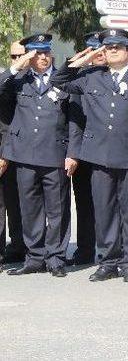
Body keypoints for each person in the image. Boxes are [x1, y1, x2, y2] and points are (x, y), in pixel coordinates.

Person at [51, 28, 128, 283]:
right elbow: (58, 80)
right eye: (108, 48)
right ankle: (108, 261)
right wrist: (87, 58)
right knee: (105, 211)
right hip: (99, 156)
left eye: (117, 47)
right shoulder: (91, 77)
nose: (112, 51)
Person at [0, 34, 80, 277]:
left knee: (57, 209)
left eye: (45, 52)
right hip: (24, 156)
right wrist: (17, 65)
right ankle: (34, 256)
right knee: (30, 209)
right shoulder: (18, 80)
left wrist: (73, 153)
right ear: (28, 56)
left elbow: (75, 120)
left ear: (51, 54)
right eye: (36, 53)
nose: (42, 57)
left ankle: (55, 257)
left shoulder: (62, 79)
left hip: (55, 154)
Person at [66, 32, 101, 266]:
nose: (99, 55)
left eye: (103, 49)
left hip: (109, 149)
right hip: (83, 150)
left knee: (112, 203)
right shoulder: (78, 78)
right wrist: (74, 152)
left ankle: (113, 251)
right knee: (85, 202)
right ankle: (86, 250)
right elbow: (73, 120)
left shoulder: (118, 75)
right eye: (94, 50)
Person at [0, 42, 26, 266]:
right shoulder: (7, 79)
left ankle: (22, 245)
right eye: (13, 56)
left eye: (22, 55)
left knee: (21, 203)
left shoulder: (39, 80)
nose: (17, 59)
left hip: (26, 152)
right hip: (5, 149)